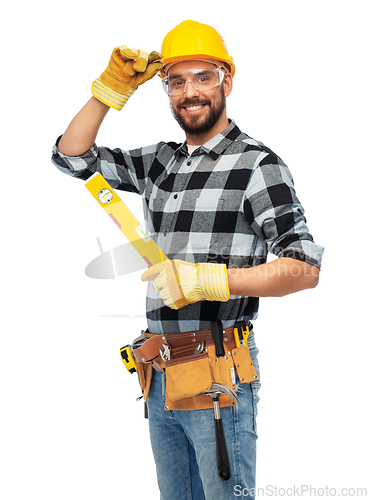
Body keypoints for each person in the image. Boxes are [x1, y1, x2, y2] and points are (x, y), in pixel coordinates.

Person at [52, 20, 324, 500]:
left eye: (203, 77)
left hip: (219, 372)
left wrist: (209, 281)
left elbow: (304, 268)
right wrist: (109, 90)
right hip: (158, 373)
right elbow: (72, 156)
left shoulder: (258, 165)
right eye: (176, 81)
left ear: (227, 81)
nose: (189, 91)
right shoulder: (159, 161)